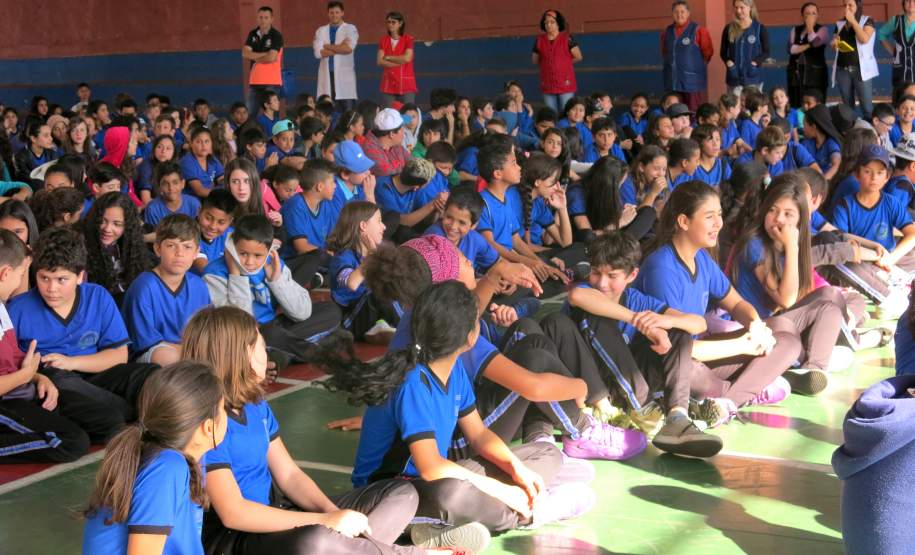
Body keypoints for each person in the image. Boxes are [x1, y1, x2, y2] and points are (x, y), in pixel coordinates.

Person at [323, 280, 596, 542]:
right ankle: (529, 513)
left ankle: (519, 492)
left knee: (545, 453)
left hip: (429, 479)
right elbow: (431, 468)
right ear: (471, 337)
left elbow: (478, 435)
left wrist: (516, 469)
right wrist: (502, 490)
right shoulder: (413, 382)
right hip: (390, 493)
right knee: (451, 495)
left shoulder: (453, 371)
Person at [180, 307, 449, 555]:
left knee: (401, 494)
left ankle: (351, 548)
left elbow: (289, 474)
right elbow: (234, 513)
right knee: (316, 542)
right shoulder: (208, 424)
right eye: (260, 344)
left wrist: (333, 514)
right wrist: (323, 522)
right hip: (238, 539)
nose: (266, 351)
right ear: (240, 357)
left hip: (279, 517)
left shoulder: (256, 406)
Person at [636, 180, 805, 424]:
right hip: (670, 366)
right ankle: (747, 389)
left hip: (704, 354)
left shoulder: (701, 259)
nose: (719, 223)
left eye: (720, 215)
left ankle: (732, 397)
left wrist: (755, 328)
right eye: (709, 216)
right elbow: (676, 349)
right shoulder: (661, 268)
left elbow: (737, 304)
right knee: (697, 375)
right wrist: (740, 346)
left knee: (787, 341)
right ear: (683, 222)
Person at [8, 226, 159, 440]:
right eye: (44, 278)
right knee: (60, 378)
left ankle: (128, 413)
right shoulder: (18, 308)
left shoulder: (98, 296)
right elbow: (12, 369)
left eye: (61, 279)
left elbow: (119, 355)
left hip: (94, 374)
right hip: (57, 385)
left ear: (80, 276)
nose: (51, 288)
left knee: (150, 373)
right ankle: (129, 413)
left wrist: (71, 362)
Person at [82, 361, 226, 554]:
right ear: (208, 428)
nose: (226, 415)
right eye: (223, 409)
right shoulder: (167, 468)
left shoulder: (185, 460)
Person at [729, 173, 847, 389]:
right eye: (773, 210)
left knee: (831, 302)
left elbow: (802, 294)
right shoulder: (755, 244)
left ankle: (811, 369)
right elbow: (786, 300)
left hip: (776, 325)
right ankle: (810, 366)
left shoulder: (787, 245)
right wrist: (792, 246)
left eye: (788, 213)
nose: (779, 219)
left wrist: (793, 247)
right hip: (751, 329)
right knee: (823, 318)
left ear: (801, 219)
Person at [0, 230, 91, 463]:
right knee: (71, 441)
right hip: (7, 400)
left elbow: (13, 361)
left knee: (89, 421)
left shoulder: (2, 306)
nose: (22, 280)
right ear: (5, 273)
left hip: (19, 390)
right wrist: (25, 375)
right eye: (22, 274)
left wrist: (38, 377)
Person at [121, 215, 211, 366]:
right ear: (157, 249)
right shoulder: (143, 287)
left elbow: (207, 330)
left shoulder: (199, 285)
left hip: (192, 351)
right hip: (151, 355)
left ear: (196, 252)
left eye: (187, 247)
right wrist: (194, 353)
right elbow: (144, 343)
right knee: (165, 355)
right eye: (171, 245)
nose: (179, 253)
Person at [327, 202, 400, 342]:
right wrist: (372, 258)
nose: (384, 227)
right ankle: (408, 330)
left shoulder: (373, 254)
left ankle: (382, 326)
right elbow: (352, 283)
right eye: (379, 221)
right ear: (363, 226)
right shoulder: (343, 257)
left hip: (370, 315)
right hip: (350, 320)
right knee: (377, 291)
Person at [79, 192, 153, 306]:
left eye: (117, 224)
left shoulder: (132, 245)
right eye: (102, 221)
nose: (107, 229)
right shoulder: (80, 246)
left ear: (127, 226)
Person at [661, 1, 714, 113]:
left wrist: (694, 67)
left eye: (682, 12)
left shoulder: (699, 30)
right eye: (676, 12)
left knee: (692, 111)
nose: (679, 15)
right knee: (674, 111)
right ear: (672, 14)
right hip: (672, 80)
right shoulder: (666, 31)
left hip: (692, 82)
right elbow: (665, 52)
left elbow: (708, 53)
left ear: (688, 13)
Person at [832, 0, 878, 120]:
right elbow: (834, 41)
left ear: (858, 6)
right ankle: (851, 133)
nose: (847, 8)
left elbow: (864, 39)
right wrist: (834, 43)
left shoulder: (867, 20)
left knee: (867, 107)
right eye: (845, 5)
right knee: (847, 107)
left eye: (850, 5)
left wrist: (852, 21)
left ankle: (870, 134)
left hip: (861, 71)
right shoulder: (840, 23)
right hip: (843, 70)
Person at [532, 9, 582, 113]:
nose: (548, 25)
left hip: (565, 84)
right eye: (546, 22)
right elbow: (535, 60)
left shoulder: (567, 38)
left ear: (558, 23)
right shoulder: (539, 40)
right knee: (551, 114)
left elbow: (578, 56)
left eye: (552, 22)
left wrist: (564, 63)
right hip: (547, 84)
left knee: (568, 113)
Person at [314, 1, 359, 112]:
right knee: (328, 113)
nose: (334, 15)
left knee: (348, 114)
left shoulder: (350, 29)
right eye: (332, 12)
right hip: (327, 75)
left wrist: (327, 46)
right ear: (328, 13)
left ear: (342, 13)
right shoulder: (321, 31)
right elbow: (318, 53)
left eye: (337, 12)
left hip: (345, 78)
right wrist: (340, 48)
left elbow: (348, 49)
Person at [720, 0, 770, 93]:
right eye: (736, 7)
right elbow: (723, 52)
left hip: (753, 77)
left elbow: (766, 51)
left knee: (753, 106)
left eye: (742, 7)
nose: (738, 11)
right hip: (734, 77)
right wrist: (728, 62)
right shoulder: (729, 28)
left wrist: (754, 63)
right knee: (734, 106)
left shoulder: (759, 28)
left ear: (750, 8)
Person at [243, 6, 284, 116]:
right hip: (254, 82)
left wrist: (254, 56)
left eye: (266, 17)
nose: (263, 20)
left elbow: (272, 57)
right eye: (260, 17)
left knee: (272, 116)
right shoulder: (253, 34)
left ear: (272, 19)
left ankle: (274, 134)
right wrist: (265, 54)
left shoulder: (276, 35)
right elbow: (245, 53)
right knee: (250, 116)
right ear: (257, 18)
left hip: (272, 83)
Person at [788, 3, 829, 108]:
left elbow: (816, 43)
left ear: (818, 15)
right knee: (796, 103)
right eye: (808, 13)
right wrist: (809, 45)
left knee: (815, 104)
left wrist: (810, 27)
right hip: (796, 73)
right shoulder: (795, 30)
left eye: (814, 13)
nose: (811, 16)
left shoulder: (823, 29)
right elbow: (791, 49)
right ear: (802, 16)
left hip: (815, 75)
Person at [193, 189, 238, 275]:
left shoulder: (231, 235)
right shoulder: (187, 235)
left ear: (230, 222)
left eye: (221, 222)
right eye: (208, 218)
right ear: (199, 211)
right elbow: (207, 270)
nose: (213, 226)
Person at [143, 161, 201, 227]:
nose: (171, 188)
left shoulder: (194, 204)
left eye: (175, 183)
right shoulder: (152, 209)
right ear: (159, 187)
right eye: (165, 184)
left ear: (182, 184)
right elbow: (151, 235)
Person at [378, 11, 417, 106]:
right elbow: (379, 61)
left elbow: (407, 58)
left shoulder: (408, 39)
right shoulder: (383, 40)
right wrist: (400, 61)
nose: (390, 24)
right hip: (388, 84)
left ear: (400, 23)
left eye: (393, 22)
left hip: (406, 84)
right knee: (390, 115)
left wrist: (388, 57)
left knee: (407, 115)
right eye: (388, 22)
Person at [363, 108, 412, 178]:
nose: (404, 132)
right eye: (401, 129)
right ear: (392, 134)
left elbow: (413, 163)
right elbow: (388, 174)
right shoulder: (369, 149)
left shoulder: (396, 145)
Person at [879, 0, 915, 96]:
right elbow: (881, 34)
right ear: (903, 3)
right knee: (900, 99)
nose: (911, 3)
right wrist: (893, 51)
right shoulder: (896, 20)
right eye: (908, 1)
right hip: (900, 70)